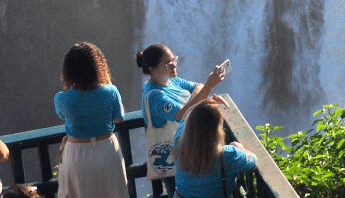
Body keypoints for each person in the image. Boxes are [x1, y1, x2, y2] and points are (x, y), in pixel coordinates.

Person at [136, 44, 226, 198]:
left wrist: (202, 94)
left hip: (186, 152)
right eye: (168, 63)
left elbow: (198, 86)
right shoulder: (154, 96)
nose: (174, 65)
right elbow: (182, 114)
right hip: (170, 159)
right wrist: (207, 89)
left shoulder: (172, 81)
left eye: (174, 60)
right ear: (152, 69)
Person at [54, 42, 128, 198]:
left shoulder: (62, 98)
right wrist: (108, 83)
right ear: (97, 66)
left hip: (77, 154)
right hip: (107, 149)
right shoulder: (110, 91)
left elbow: (63, 116)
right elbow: (119, 117)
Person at [173, 99, 256, 198]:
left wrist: (205, 104)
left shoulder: (178, 142)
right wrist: (239, 147)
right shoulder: (227, 155)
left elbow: (186, 115)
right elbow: (253, 161)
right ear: (217, 130)